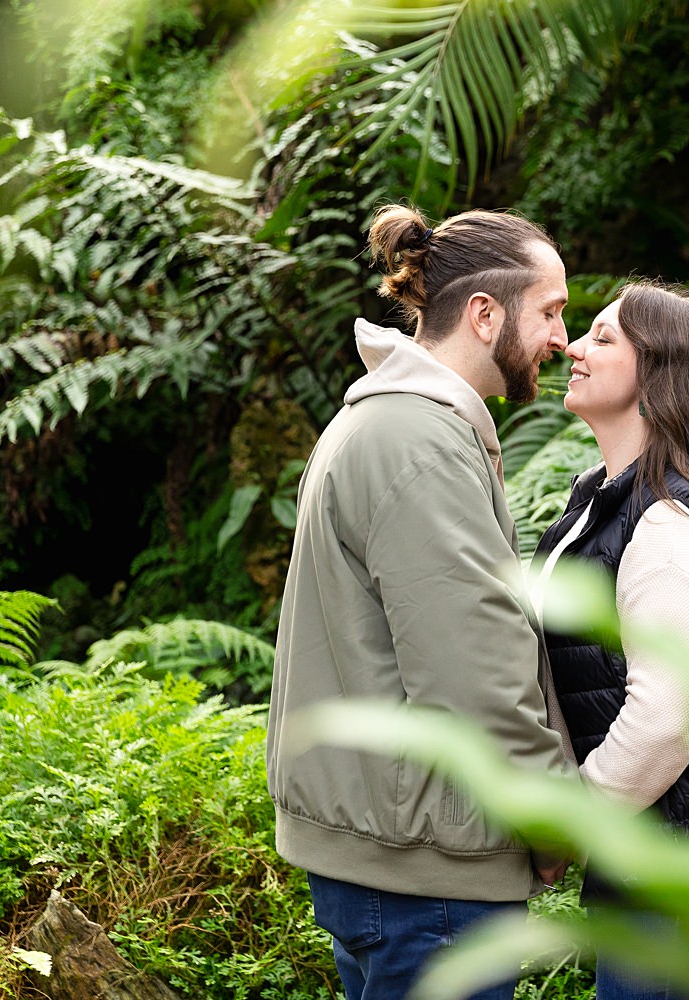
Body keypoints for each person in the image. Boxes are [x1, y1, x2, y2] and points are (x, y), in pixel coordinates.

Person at [266, 204, 574, 1000]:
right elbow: (473, 669)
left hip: (394, 854)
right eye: (551, 311)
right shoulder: (419, 443)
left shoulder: (396, 426)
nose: (561, 339)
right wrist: (547, 820)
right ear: (484, 313)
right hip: (427, 873)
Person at [533, 280, 689, 1000]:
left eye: (603, 338)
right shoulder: (606, 497)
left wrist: (570, 825)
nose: (573, 348)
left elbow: (663, 725)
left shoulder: (667, 524)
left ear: (660, 377)